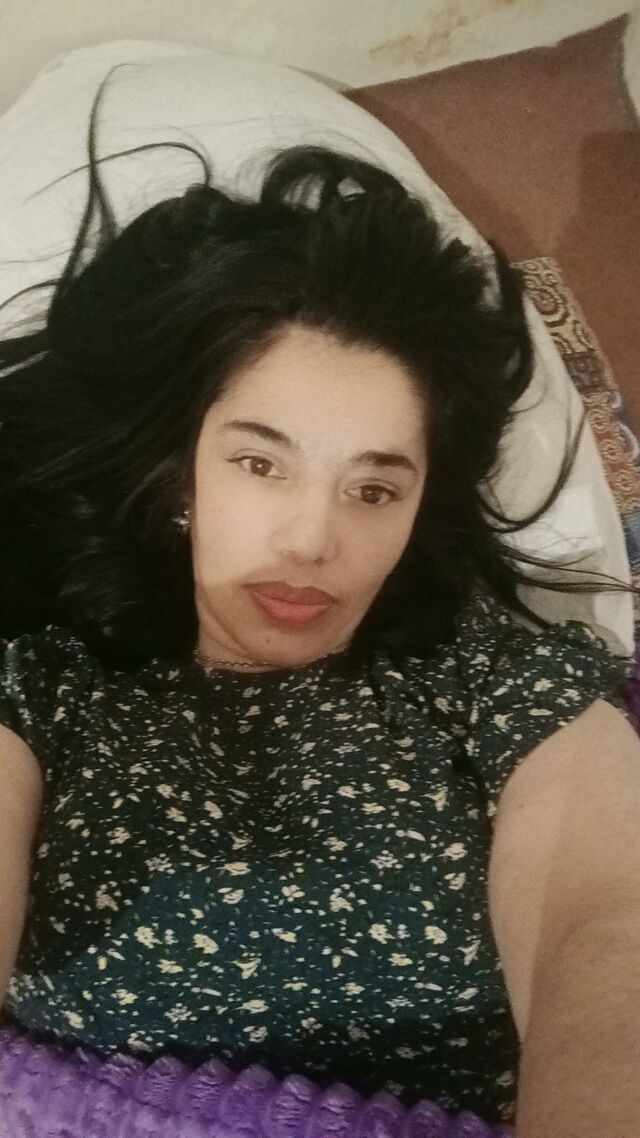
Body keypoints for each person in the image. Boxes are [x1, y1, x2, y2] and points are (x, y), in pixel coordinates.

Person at [0, 83, 639, 1137]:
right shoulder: (45, 683)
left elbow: (608, 930)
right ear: (181, 476)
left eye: (374, 488)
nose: (312, 540)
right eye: (261, 463)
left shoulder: (492, 676)